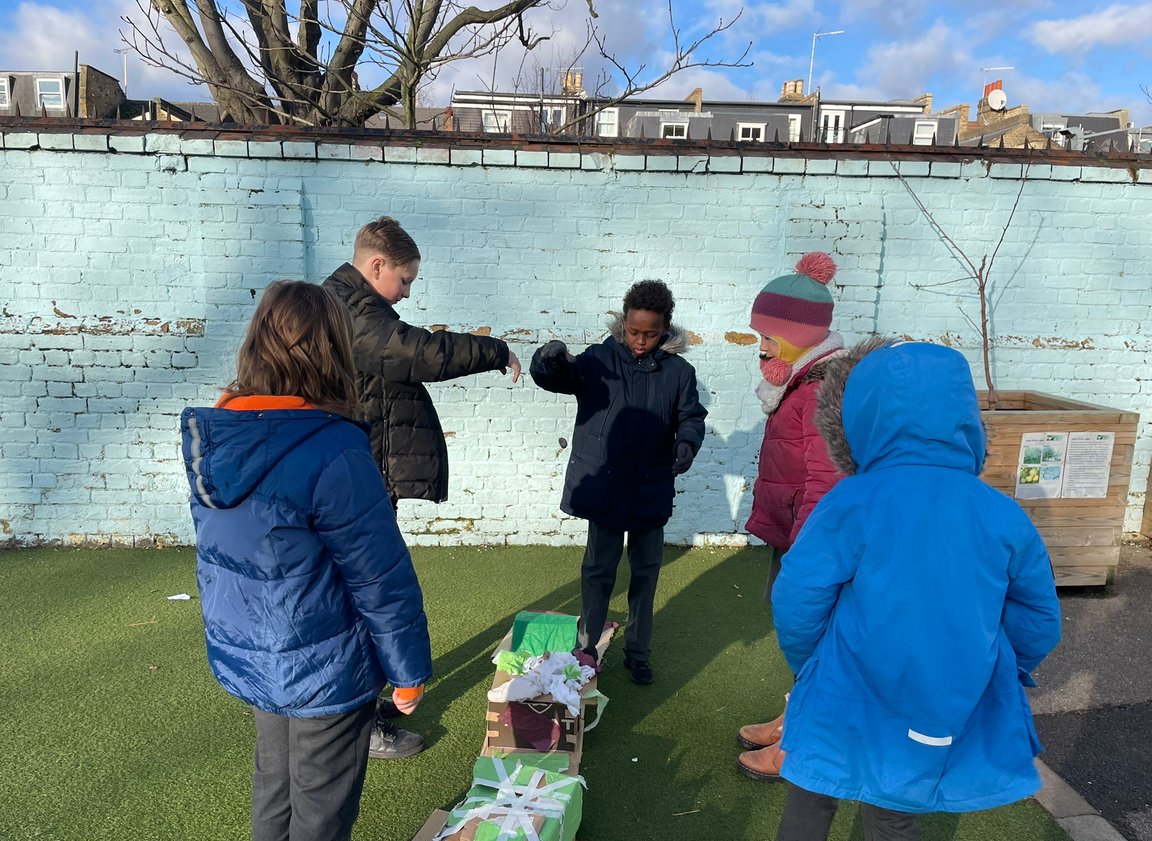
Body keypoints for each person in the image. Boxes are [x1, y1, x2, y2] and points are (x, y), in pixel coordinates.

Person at [767, 338, 1062, 841]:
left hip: (848, 673)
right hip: (940, 687)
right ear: (962, 417)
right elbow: (1038, 614)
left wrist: (810, 662)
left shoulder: (852, 500)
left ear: (861, 416)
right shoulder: (999, 510)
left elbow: (799, 593)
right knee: (894, 809)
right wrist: (1002, 668)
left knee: (814, 769)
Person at [181, 280, 432, 841]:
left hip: (255, 654)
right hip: (323, 661)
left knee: (276, 786)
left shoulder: (214, 439)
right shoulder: (332, 447)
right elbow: (379, 577)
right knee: (322, 806)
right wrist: (408, 672)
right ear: (329, 351)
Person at [323, 216, 520, 759]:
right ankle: (358, 724)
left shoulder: (349, 305)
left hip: (357, 471)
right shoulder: (352, 312)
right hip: (356, 479)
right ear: (376, 265)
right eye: (405, 281)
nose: (407, 293)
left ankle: (360, 713)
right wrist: (494, 351)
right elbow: (420, 353)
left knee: (365, 597)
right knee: (367, 600)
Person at [530, 280, 707, 685]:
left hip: (652, 485)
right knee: (598, 569)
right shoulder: (598, 360)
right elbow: (559, 377)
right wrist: (549, 359)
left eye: (650, 333)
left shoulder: (679, 372)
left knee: (646, 571)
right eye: (634, 331)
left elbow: (691, 417)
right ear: (623, 322)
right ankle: (586, 648)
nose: (641, 341)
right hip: (605, 487)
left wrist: (687, 443)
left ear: (666, 329)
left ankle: (638, 652)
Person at [737, 252, 847, 780]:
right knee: (802, 636)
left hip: (812, 541)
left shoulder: (819, 391)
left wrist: (807, 553)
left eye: (767, 336)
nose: (761, 346)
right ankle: (793, 716)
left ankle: (799, 746)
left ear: (798, 333)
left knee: (815, 639)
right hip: (798, 534)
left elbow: (826, 482)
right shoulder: (800, 382)